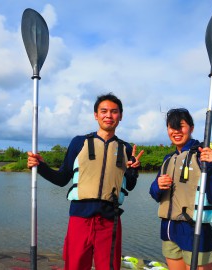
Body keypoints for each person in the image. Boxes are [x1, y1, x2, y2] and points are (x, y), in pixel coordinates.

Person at [27, 93, 144, 270]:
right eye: (103, 111)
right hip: (79, 217)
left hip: (109, 219)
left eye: (114, 112)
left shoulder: (126, 148)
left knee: (109, 267)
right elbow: (61, 179)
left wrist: (134, 169)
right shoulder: (79, 142)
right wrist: (40, 166)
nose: (108, 115)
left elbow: (131, 185)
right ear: (96, 115)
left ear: (120, 116)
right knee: (75, 266)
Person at [149, 108, 212, 270]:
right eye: (172, 127)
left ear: (191, 128)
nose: (176, 131)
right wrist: (158, 185)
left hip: (195, 229)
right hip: (169, 230)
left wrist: (211, 167)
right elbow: (154, 194)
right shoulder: (168, 159)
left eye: (181, 126)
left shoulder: (203, 154)